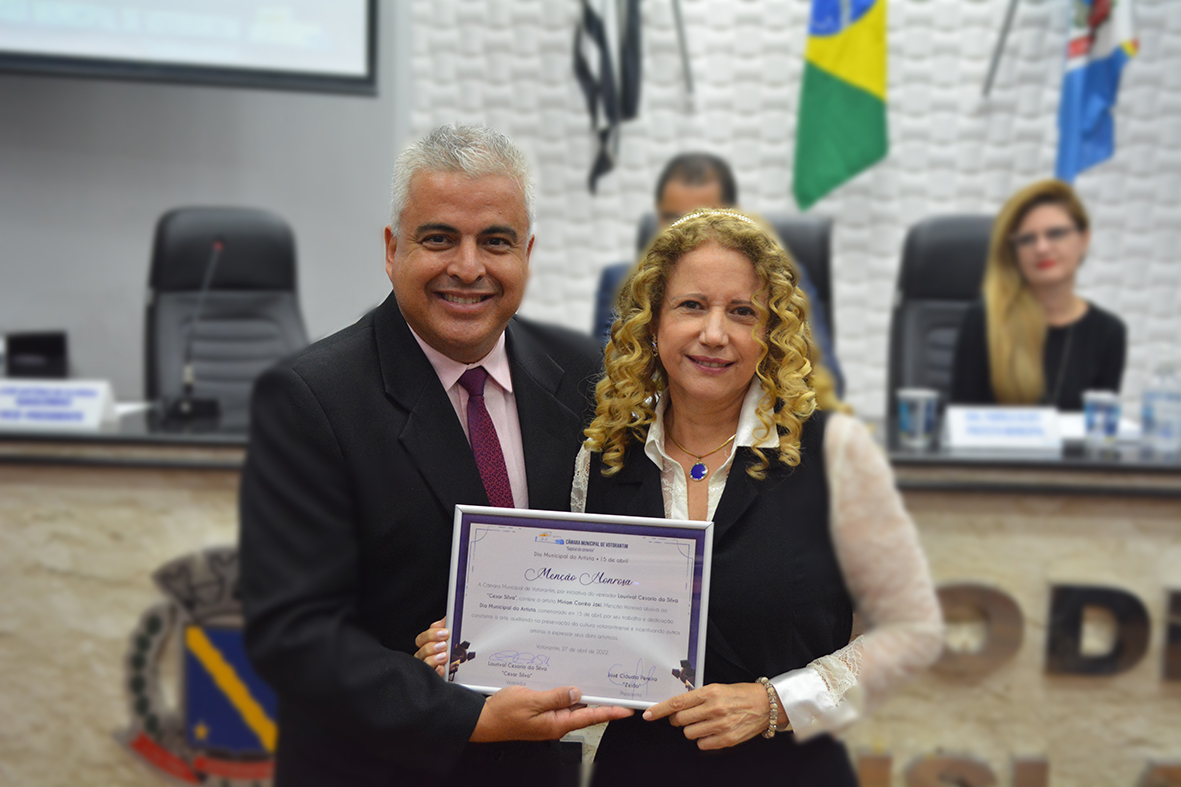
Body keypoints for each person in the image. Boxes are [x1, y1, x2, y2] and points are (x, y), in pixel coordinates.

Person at [418, 208, 941, 780]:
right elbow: (570, 616)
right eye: (692, 305)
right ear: (652, 322)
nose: (714, 334)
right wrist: (474, 641)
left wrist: (775, 703)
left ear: (771, 332)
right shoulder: (603, 457)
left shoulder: (834, 452)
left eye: (742, 312)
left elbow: (914, 629)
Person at [238, 124, 631, 787]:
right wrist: (467, 716)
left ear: (527, 253)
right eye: (439, 238)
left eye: (496, 241)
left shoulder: (587, 377)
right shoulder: (309, 397)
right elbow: (294, 632)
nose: (469, 267)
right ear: (393, 250)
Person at [591, 152, 846, 398]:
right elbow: (605, 373)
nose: (692, 228)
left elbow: (819, 377)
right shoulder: (627, 283)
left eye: (743, 311)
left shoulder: (783, 282)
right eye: (674, 218)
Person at [951, 179, 1126, 410]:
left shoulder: (1108, 332)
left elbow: (1100, 426)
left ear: (1084, 240)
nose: (1042, 248)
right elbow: (962, 422)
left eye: (1056, 233)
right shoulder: (985, 319)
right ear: (1014, 252)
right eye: (1026, 239)